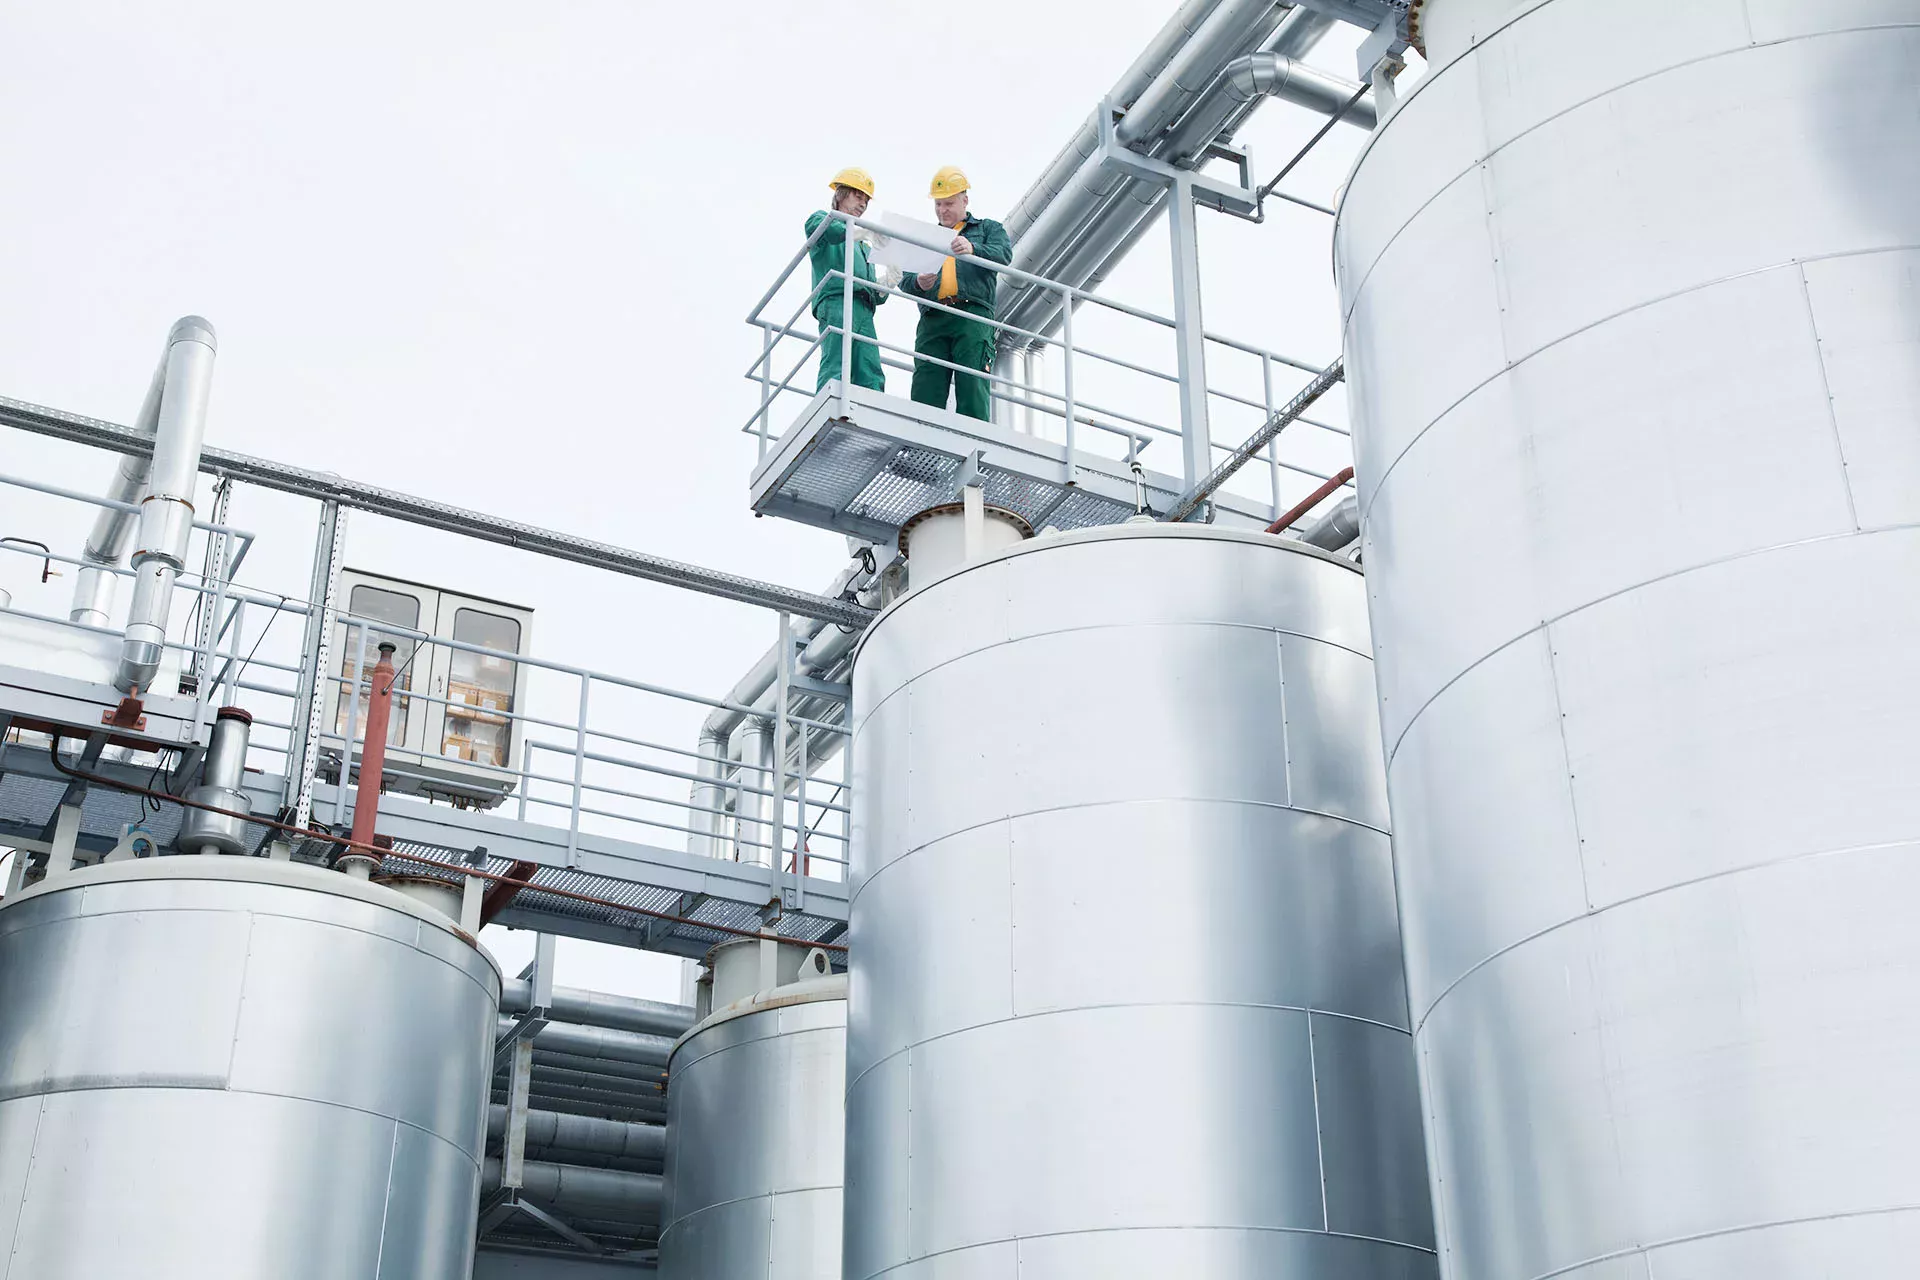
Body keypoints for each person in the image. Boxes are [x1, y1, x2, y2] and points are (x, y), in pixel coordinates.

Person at [899, 165, 1012, 420]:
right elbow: (905, 280)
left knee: (972, 384)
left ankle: (973, 440)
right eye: (938, 204)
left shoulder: (987, 229)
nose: (942, 210)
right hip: (933, 317)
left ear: (965, 200)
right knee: (926, 385)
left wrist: (974, 249)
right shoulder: (925, 237)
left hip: (972, 315)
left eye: (948, 203)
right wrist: (919, 282)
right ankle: (920, 440)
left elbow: (1004, 254)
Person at [806, 167, 889, 393]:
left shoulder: (863, 246)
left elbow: (874, 293)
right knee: (836, 361)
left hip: (864, 309)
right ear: (841, 194)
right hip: (837, 301)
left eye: (866, 201)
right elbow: (830, 231)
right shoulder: (822, 219)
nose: (862, 204)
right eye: (858, 196)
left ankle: (872, 409)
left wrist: (888, 282)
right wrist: (862, 232)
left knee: (870, 368)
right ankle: (828, 403)